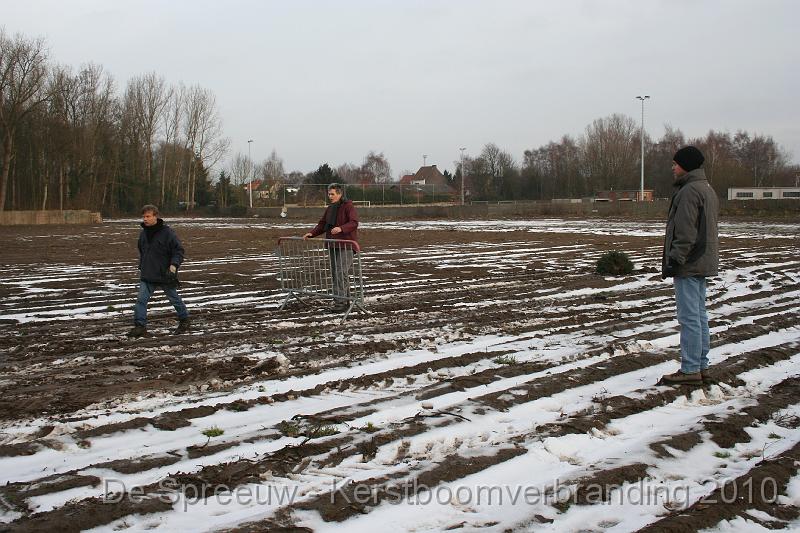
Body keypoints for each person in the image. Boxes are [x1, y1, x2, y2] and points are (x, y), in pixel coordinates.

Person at [660, 146, 719, 384]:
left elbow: (684, 232)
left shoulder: (688, 191)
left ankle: (691, 369)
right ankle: (701, 365)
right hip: (703, 260)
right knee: (699, 315)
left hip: (689, 263)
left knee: (689, 317)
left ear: (686, 165)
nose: (672, 167)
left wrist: (675, 259)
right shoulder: (707, 189)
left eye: (675, 163)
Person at [127, 205, 190, 337]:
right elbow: (142, 251)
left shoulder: (167, 233)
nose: (145, 219)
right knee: (141, 300)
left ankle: (185, 320)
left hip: (164, 274)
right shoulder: (143, 234)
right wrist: (142, 266)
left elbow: (178, 251)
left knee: (174, 299)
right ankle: (140, 326)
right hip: (147, 273)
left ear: (156, 216)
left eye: (148, 216)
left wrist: (173, 266)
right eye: (143, 216)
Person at [303, 183, 359, 312]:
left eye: (332, 194)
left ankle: (340, 304)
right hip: (333, 245)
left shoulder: (348, 206)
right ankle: (345, 302)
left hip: (346, 244)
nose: (330, 196)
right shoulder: (330, 208)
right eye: (329, 194)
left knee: (340, 272)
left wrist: (341, 228)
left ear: (339, 194)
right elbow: (322, 224)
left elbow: (354, 223)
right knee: (337, 274)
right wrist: (312, 233)